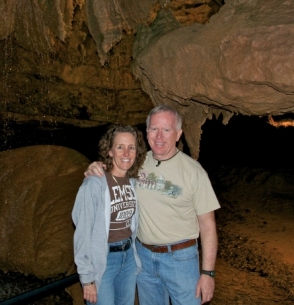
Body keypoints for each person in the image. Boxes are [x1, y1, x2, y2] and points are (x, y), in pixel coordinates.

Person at [84, 105, 220, 305]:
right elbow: (112, 170)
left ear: (178, 134)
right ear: (146, 132)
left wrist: (207, 273)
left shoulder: (194, 172)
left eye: (166, 130)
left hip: (180, 259)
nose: (159, 136)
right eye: (154, 129)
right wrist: (95, 167)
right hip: (143, 258)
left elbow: (208, 225)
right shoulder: (136, 163)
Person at [72, 124, 147, 305]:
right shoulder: (94, 184)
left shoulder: (134, 182)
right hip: (103, 260)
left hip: (128, 258)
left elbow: (167, 188)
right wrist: (87, 278)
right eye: (120, 147)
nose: (126, 153)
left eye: (131, 147)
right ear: (110, 151)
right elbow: (82, 232)